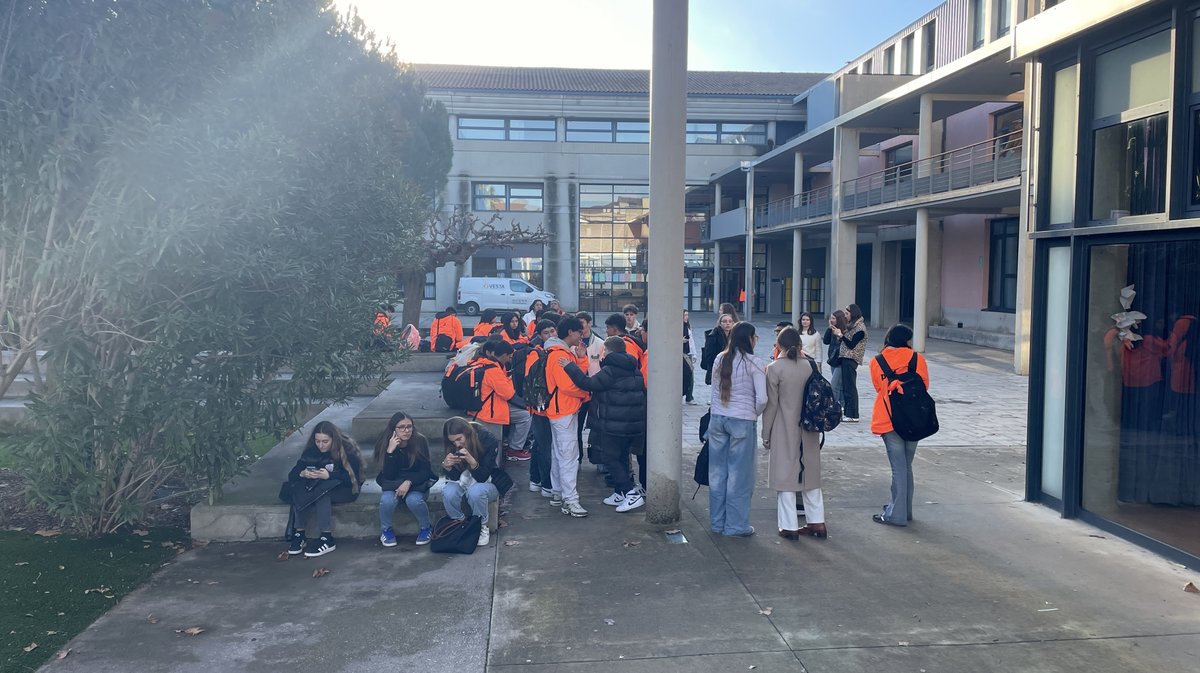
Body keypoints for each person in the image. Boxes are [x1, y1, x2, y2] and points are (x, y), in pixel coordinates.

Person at [559, 336, 647, 512]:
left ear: (608, 351)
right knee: (621, 456)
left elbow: (588, 384)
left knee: (609, 457)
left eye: (604, 350)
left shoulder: (611, 370)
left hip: (613, 424)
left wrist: (570, 367)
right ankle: (621, 492)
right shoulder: (633, 368)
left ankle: (631, 494)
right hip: (631, 424)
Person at [762, 328, 826, 540]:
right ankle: (817, 523)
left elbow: (771, 404)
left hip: (783, 426)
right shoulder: (811, 365)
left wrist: (766, 432)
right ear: (800, 344)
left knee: (785, 476)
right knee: (810, 474)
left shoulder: (774, 368)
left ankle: (789, 526)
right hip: (809, 427)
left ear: (778, 345)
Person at [707, 322, 767, 537]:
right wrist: (753, 413)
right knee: (739, 477)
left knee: (718, 474)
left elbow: (714, 391)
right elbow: (762, 398)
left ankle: (717, 522)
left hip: (717, 419)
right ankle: (736, 525)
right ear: (750, 339)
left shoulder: (720, 359)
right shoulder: (755, 363)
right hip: (742, 420)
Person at [870, 324, 930, 527]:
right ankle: (905, 510)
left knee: (898, 467)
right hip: (915, 418)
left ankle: (896, 514)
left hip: (889, 417)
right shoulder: (917, 359)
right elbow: (925, 385)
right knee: (906, 465)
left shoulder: (877, 361)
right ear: (906, 340)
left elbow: (879, 387)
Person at [286, 421, 363, 557]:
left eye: (325, 441)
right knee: (300, 488)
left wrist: (330, 475)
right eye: (317, 441)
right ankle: (300, 532)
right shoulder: (311, 450)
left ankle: (326, 537)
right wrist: (303, 473)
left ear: (334, 439)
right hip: (318, 486)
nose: (320, 445)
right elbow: (292, 475)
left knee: (322, 494)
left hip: (346, 489)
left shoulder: (347, 450)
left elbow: (353, 479)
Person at [543, 316, 591, 517]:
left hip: (562, 410)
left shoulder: (561, 353)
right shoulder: (558, 355)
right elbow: (569, 385)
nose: (581, 335)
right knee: (569, 457)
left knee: (559, 453)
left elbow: (574, 378)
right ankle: (570, 501)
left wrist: (580, 359)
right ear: (571, 332)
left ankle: (558, 493)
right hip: (563, 410)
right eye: (579, 332)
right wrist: (588, 393)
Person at [440, 417, 508, 546]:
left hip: (489, 481)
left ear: (467, 433)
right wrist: (447, 466)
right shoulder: (452, 444)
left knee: (475, 492)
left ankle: (481, 526)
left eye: (459, 439)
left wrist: (472, 462)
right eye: (452, 441)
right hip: (462, 481)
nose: (457, 444)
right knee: (448, 492)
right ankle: (458, 523)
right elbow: (454, 478)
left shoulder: (488, 439)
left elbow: (483, 476)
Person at [375, 412, 435, 547]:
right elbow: (388, 475)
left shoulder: (420, 441)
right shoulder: (384, 443)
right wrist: (390, 452)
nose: (406, 430)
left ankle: (426, 528)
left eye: (409, 426)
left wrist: (408, 481)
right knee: (387, 500)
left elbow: (425, 472)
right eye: (401, 427)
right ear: (393, 429)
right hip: (393, 484)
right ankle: (386, 530)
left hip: (417, 483)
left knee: (413, 500)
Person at [520, 319, 560, 497]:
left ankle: (535, 479)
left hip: (542, 406)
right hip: (542, 407)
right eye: (546, 333)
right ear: (539, 336)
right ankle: (547, 484)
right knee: (545, 446)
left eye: (553, 331)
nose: (551, 335)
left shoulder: (544, 352)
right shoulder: (536, 354)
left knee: (539, 444)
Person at [468, 340, 521, 466]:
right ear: (504, 356)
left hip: (481, 407)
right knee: (525, 416)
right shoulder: (493, 370)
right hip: (489, 412)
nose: (509, 359)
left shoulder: (486, 364)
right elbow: (508, 394)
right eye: (509, 356)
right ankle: (514, 449)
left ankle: (510, 445)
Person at [833, 304, 868, 422]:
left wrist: (841, 335)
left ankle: (853, 414)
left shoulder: (860, 328)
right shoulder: (852, 326)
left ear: (853, 314)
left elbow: (851, 344)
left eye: (847, 314)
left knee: (850, 387)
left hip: (851, 359)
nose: (845, 316)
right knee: (846, 387)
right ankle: (848, 412)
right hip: (845, 358)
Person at [701, 312, 736, 386]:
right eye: (725, 321)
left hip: (731, 369)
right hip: (717, 369)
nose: (728, 324)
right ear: (720, 323)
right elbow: (709, 356)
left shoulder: (734, 336)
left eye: (730, 321)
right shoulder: (713, 336)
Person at [823, 310, 849, 409]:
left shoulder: (845, 331)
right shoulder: (833, 329)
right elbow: (825, 341)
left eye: (833, 318)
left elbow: (845, 345)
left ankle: (834, 406)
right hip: (832, 360)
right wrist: (829, 329)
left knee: (834, 385)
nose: (831, 320)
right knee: (839, 385)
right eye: (831, 318)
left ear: (839, 319)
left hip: (840, 361)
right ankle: (842, 405)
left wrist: (839, 335)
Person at [683, 310, 699, 404]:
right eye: (684, 315)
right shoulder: (677, 327)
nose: (686, 317)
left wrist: (694, 354)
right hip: (680, 352)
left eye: (687, 315)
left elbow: (691, 341)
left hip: (687, 353)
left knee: (691, 375)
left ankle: (689, 396)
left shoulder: (688, 327)